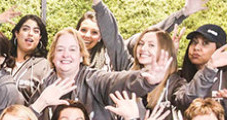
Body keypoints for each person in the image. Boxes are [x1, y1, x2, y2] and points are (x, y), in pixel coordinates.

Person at [29, 27, 170, 120]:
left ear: (81, 56)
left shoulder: (95, 79)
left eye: (72, 49)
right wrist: (41, 103)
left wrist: (145, 81)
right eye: (60, 50)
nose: (66, 54)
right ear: (53, 56)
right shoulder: (44, 86)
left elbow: (117, 81)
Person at [130, 27, 227, 120]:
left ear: (219, 49)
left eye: (205, 43)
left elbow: (186, 98)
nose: (197, 48)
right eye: (194, 42)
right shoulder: (181, 76)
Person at [78, 0, 207, 71]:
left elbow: (151, 33)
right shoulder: (66, 55)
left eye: (94, 32)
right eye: (83, 30)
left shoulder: (115, 53)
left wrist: (183, 13)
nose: (87, 36)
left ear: (102, 35)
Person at [0, 7, 51, 101]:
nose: (30, 33)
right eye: (26, 29)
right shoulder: (2, 57)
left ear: (39, 37)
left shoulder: (43, 65)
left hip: (24, 114)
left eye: (36, 31)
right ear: (16, 33)